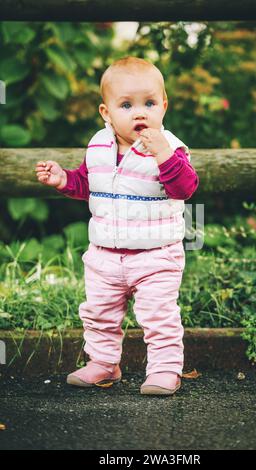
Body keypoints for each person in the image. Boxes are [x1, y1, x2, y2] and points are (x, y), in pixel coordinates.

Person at [35, 56, 199, 395]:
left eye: (150, 103)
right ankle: (103, 363)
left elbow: (185, 188)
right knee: (98, 313)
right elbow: (88, 183)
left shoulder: (169, 148)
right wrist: (64, 179)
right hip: (105, 254)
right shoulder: (98, 146)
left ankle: (165, 370)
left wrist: (164, 156)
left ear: (164, 106)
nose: (140, 112)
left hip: (156, 254)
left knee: (158, 317)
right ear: (106, 113)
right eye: (126, 105)